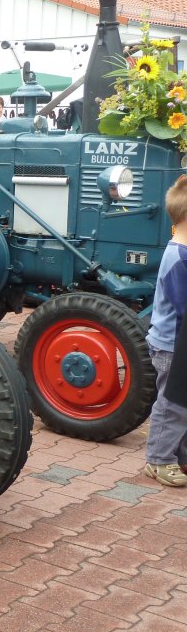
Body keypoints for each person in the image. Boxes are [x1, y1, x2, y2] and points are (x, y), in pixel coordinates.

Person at [143, 175, 187, 486]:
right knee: (172, 403)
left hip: (179, 343)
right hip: (171, 346)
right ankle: (158, 459)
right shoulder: (178, 258)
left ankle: (179, 454)